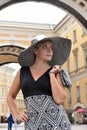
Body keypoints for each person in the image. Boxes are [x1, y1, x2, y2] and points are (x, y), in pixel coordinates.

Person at [7, 35, 72, 130]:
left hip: (58, 124)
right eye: (45, 47)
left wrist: (51, 74)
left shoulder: (55, 71)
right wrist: (16, 115)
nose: (50, 50)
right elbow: (10, 96)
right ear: (35, 50)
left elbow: (59, 99)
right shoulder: (22, 72)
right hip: (33, 125)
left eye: (51, 47)